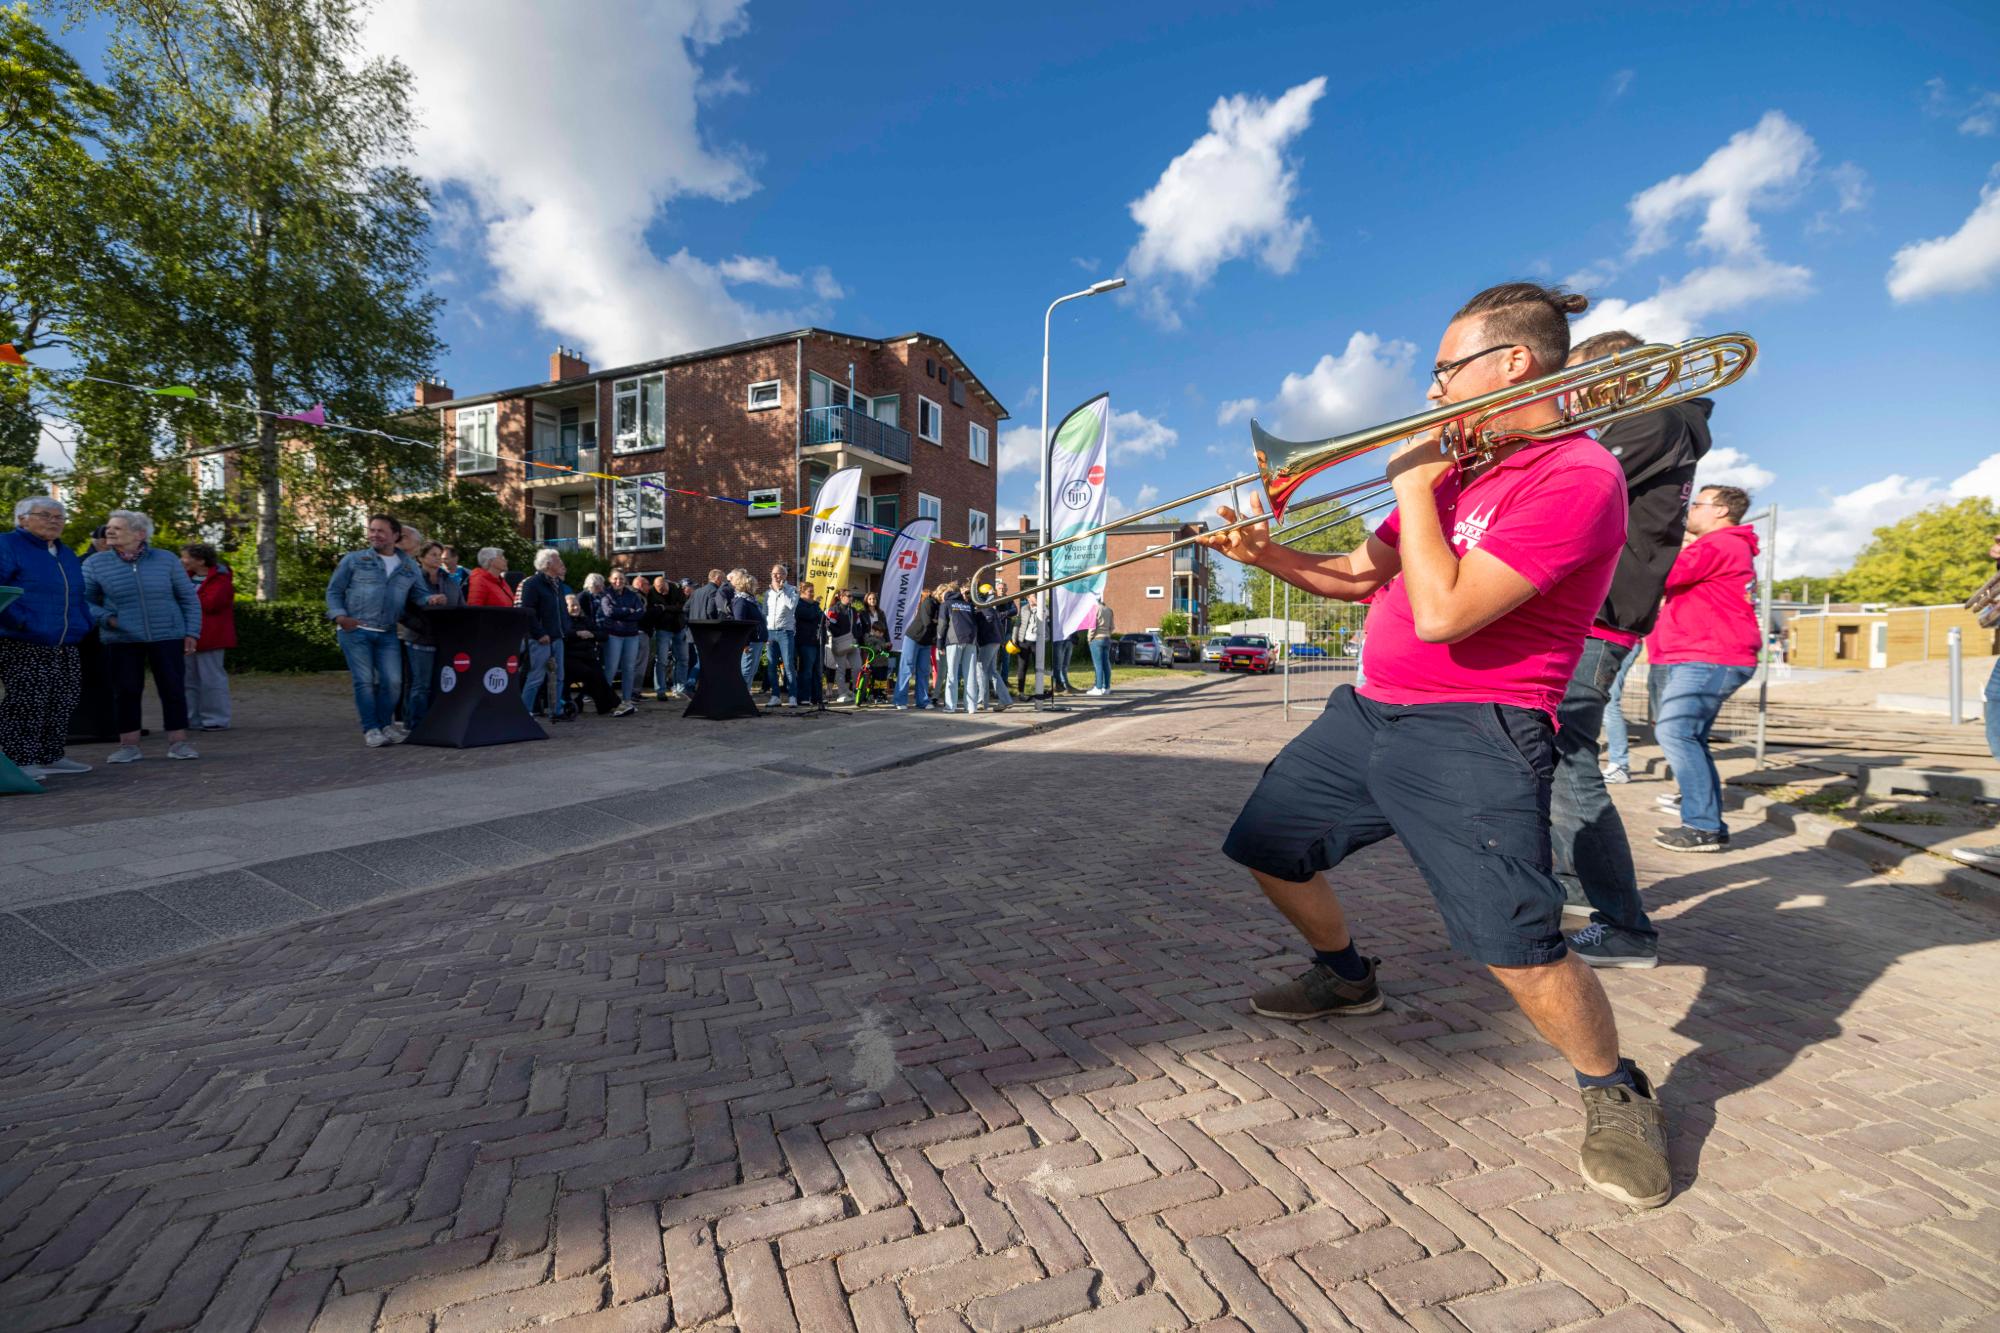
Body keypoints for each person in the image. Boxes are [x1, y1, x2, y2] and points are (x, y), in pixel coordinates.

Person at [1199, 282, 1669, 1210]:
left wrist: (1414, 486)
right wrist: (1266, 558)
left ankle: (1614, 1089)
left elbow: (1448, 612)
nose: (1433, 390)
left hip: (1478, 725)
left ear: (1513, 364)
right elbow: (1351, 576)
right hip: (1370, 709)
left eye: (1445, 370)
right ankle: (1346, 979)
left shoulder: (1575, 477)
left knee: (1517, 945)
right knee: (1266, 845)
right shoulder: (1456, 468)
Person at [1546, 328, 1715, 968]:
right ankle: (1569, 887)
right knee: (1558, 759)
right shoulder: (1657, 423)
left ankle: (1626, 927)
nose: (1568, 397)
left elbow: (1574, 487)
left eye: (1575, 382)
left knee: (1571, 763)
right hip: (1589, 614)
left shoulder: (1656, 418)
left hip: (1602, 616)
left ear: (1614, 372)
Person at [1647, 484, 1761, 853]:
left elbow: (1662, 575)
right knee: (1688, 736)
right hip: (1701, 654)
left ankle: (1703, 826)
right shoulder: (1722, 545)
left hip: (1711, 655)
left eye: (1697, 503)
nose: (1690, 510)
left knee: (1675, 732)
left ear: (1720, 511)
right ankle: (1706, 823)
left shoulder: (1720, 544)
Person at [82, 510, 203, 763]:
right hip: (121, 638)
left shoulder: (166, 560)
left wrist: (192, 631)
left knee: (172, 688)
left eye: (117, 527)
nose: (109, 531)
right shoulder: (94, 563)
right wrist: (108, 619)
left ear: (140, 534)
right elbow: (85, 602)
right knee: (126, 690)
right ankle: (128, 746)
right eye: (109, 527)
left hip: (167, 634)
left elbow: (188, 597)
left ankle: (178, 743)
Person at [0, 497, 94, 780]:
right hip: (23, 640)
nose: (54, 521)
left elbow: (77, 594)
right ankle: (18, 759)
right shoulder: (7, 545)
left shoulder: (64, 552)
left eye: (60, 516)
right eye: (45, 515)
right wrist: (24, 622)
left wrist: (83, 621)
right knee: (27, 701)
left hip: (65, 640)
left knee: (63, 698)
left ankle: (50, 755)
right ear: (22, 519)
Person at [326, 514, 424, 747]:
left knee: (393, 681)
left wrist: (432, 598)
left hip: (387, 631)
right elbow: (334, 590)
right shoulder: (354, 559)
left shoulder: (408, 565)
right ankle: (371, 729)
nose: (374, 534)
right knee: (365, 681)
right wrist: (340, 616)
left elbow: (419, 594)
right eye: (371, 530)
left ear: (395, 536)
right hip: (355, 631)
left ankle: (385, 725)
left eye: (380, 531)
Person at [398, 541, 461, 730]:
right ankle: (415, 724)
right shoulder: (412, 579)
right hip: (418, 637)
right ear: (421, 557)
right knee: (420, 684)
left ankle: (428, 721)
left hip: (442, 638)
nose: (438, 558)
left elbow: (460, 604)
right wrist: (419, 626)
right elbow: (402, 610)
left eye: (439, 554)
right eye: (433, 554)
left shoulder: (448, 579)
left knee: (435, 682)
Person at [180, 543, 236, 731]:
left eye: (186, 557)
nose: (182, 561)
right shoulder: (186, 578)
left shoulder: (221, 580)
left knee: (211, 678)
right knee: (189, 680)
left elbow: (212, 603)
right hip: (187, 635)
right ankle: (191, 718)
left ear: (200, 561)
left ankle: (216, 718)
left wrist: (186, 599)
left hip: (211, 636)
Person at [517, 548, 572, 718]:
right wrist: (539, 633)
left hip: (557, 636)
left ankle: (556, 711)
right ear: (548, 564)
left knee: (559, 676)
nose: (561, 562)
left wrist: (566, 628)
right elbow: (528, 611)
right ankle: (524, 713)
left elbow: (561, 609)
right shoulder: (532, 584)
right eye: (558, 559)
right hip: (541, 638)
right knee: (536, 677)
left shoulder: (558, 584)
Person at [564, 587, 630, 716]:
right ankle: (614, 705)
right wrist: (577, 634)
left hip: (589, 657)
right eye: (572, 606)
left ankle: (605, 706)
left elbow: (602, 635)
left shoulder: (586, 620)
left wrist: (591, 635)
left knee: (598, 674)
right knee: (592, 674)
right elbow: (563, 635)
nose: (576, 608)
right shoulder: (563, 622)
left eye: (577, 605)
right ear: (565, 608)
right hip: (570, 658)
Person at [941, 581, 982, 713]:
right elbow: (975, 624)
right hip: (970, 641)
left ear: (946, 594)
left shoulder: (946, 604)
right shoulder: (967, 605)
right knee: (970, 675)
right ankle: (971, 707)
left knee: (952, 675)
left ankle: (950, 706)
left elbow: (942, 625)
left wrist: (939, 644)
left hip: (954, 640)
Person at [896, 584, 937, 711]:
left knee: (924, 671)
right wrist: (937, 622)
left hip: (926, 641)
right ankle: (900, 700)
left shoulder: (942, 606)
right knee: (907, 669)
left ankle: (923, 701)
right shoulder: (929, 603)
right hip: (914, 638)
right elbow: (927, 622)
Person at [764, 564, 800, 708]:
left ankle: (792, 696)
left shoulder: (792, 590)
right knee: (771, 666)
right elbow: (764, 612)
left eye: (779, 574)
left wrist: (781, 590)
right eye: (773, 573)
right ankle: (775, 696)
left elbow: (791, 606)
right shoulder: (767, 593)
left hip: (785, 632)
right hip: (770, 632)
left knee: (789, 665)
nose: (775, 576)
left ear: (785, 576)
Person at [976, 582, 1013, 711]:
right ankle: (1006, 700)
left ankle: (981, 701)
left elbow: (989, 620)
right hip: (996, 640)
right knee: (992, 671)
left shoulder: (983, 606)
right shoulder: (991, 606)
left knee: (980, 668)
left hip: (988, 641)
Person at [727, 568, 767, 690]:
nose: (756, 587)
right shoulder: (741, 601)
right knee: (746, 670)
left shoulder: (751, 600)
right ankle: (740, 698)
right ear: (747, 586)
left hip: (757, 640)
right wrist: (745, 643)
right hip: (749, 642)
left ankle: (745, 697)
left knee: (751, 671)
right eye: (754, 585)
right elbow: (740, 624)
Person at [651, 573, 688, 699]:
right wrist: (672, 608)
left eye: (664, 589)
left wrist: (664, 608)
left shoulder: (676, 588)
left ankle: (680, 688)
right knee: (661, 660)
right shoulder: (652, 593)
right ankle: (660, 690)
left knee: (682, 659)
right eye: (659, 591)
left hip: (679, 627)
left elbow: (682, 607)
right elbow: (654, 611)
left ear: (667, 583)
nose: (662, 593)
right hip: (663, 629)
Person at [826, 589, 862, 702]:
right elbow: (830, 625)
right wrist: (840, 635)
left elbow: (858, 625)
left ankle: (857, 691)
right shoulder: (834, 609)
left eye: (852, 596)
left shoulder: (854, 610)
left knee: (857, 667)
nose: (851, 598)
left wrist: (856, 636)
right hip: (840, 643)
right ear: (841, 597)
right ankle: (842, 694)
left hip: (853, 642)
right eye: (849, 596)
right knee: (840, 669)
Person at [795, 581, 827, 708]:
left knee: (818, 671)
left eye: (813, 591)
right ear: (802, 592)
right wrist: (817, 604)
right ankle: (804, 697)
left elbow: (822, 617)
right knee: (806, 671)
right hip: (806, 642)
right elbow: (808, 615)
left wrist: (826, 622)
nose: (813, 594)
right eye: (810, 591)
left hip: (817, 641)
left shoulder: (814, 605)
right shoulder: (799, 604)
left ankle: (817, 697)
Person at [1013, 593, 1043, 697]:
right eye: (1033, 596)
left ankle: (1039, 691)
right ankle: (1021, 692)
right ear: (1028, 598)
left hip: (1037, 642)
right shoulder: (1024, 609)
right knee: (1022, 667)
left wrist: (1039, 606)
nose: (1036, 598)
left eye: (1036, 596)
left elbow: (1047, 616)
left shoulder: (1043, 609)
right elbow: (1017, 624)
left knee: (1038, 667)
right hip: (1024, 642)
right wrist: (1014, 639)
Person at [1086, 603, 1116, 696]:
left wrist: (1089, 638)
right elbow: (1112, 627)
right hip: (1107, 638)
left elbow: (1092, 627)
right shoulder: (1109, 610)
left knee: (1098, 665)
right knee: (1106, 664)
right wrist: (1108, 634)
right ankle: (1106, 687)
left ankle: (1098, 688)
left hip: (1097, 639)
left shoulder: (1094, 609)